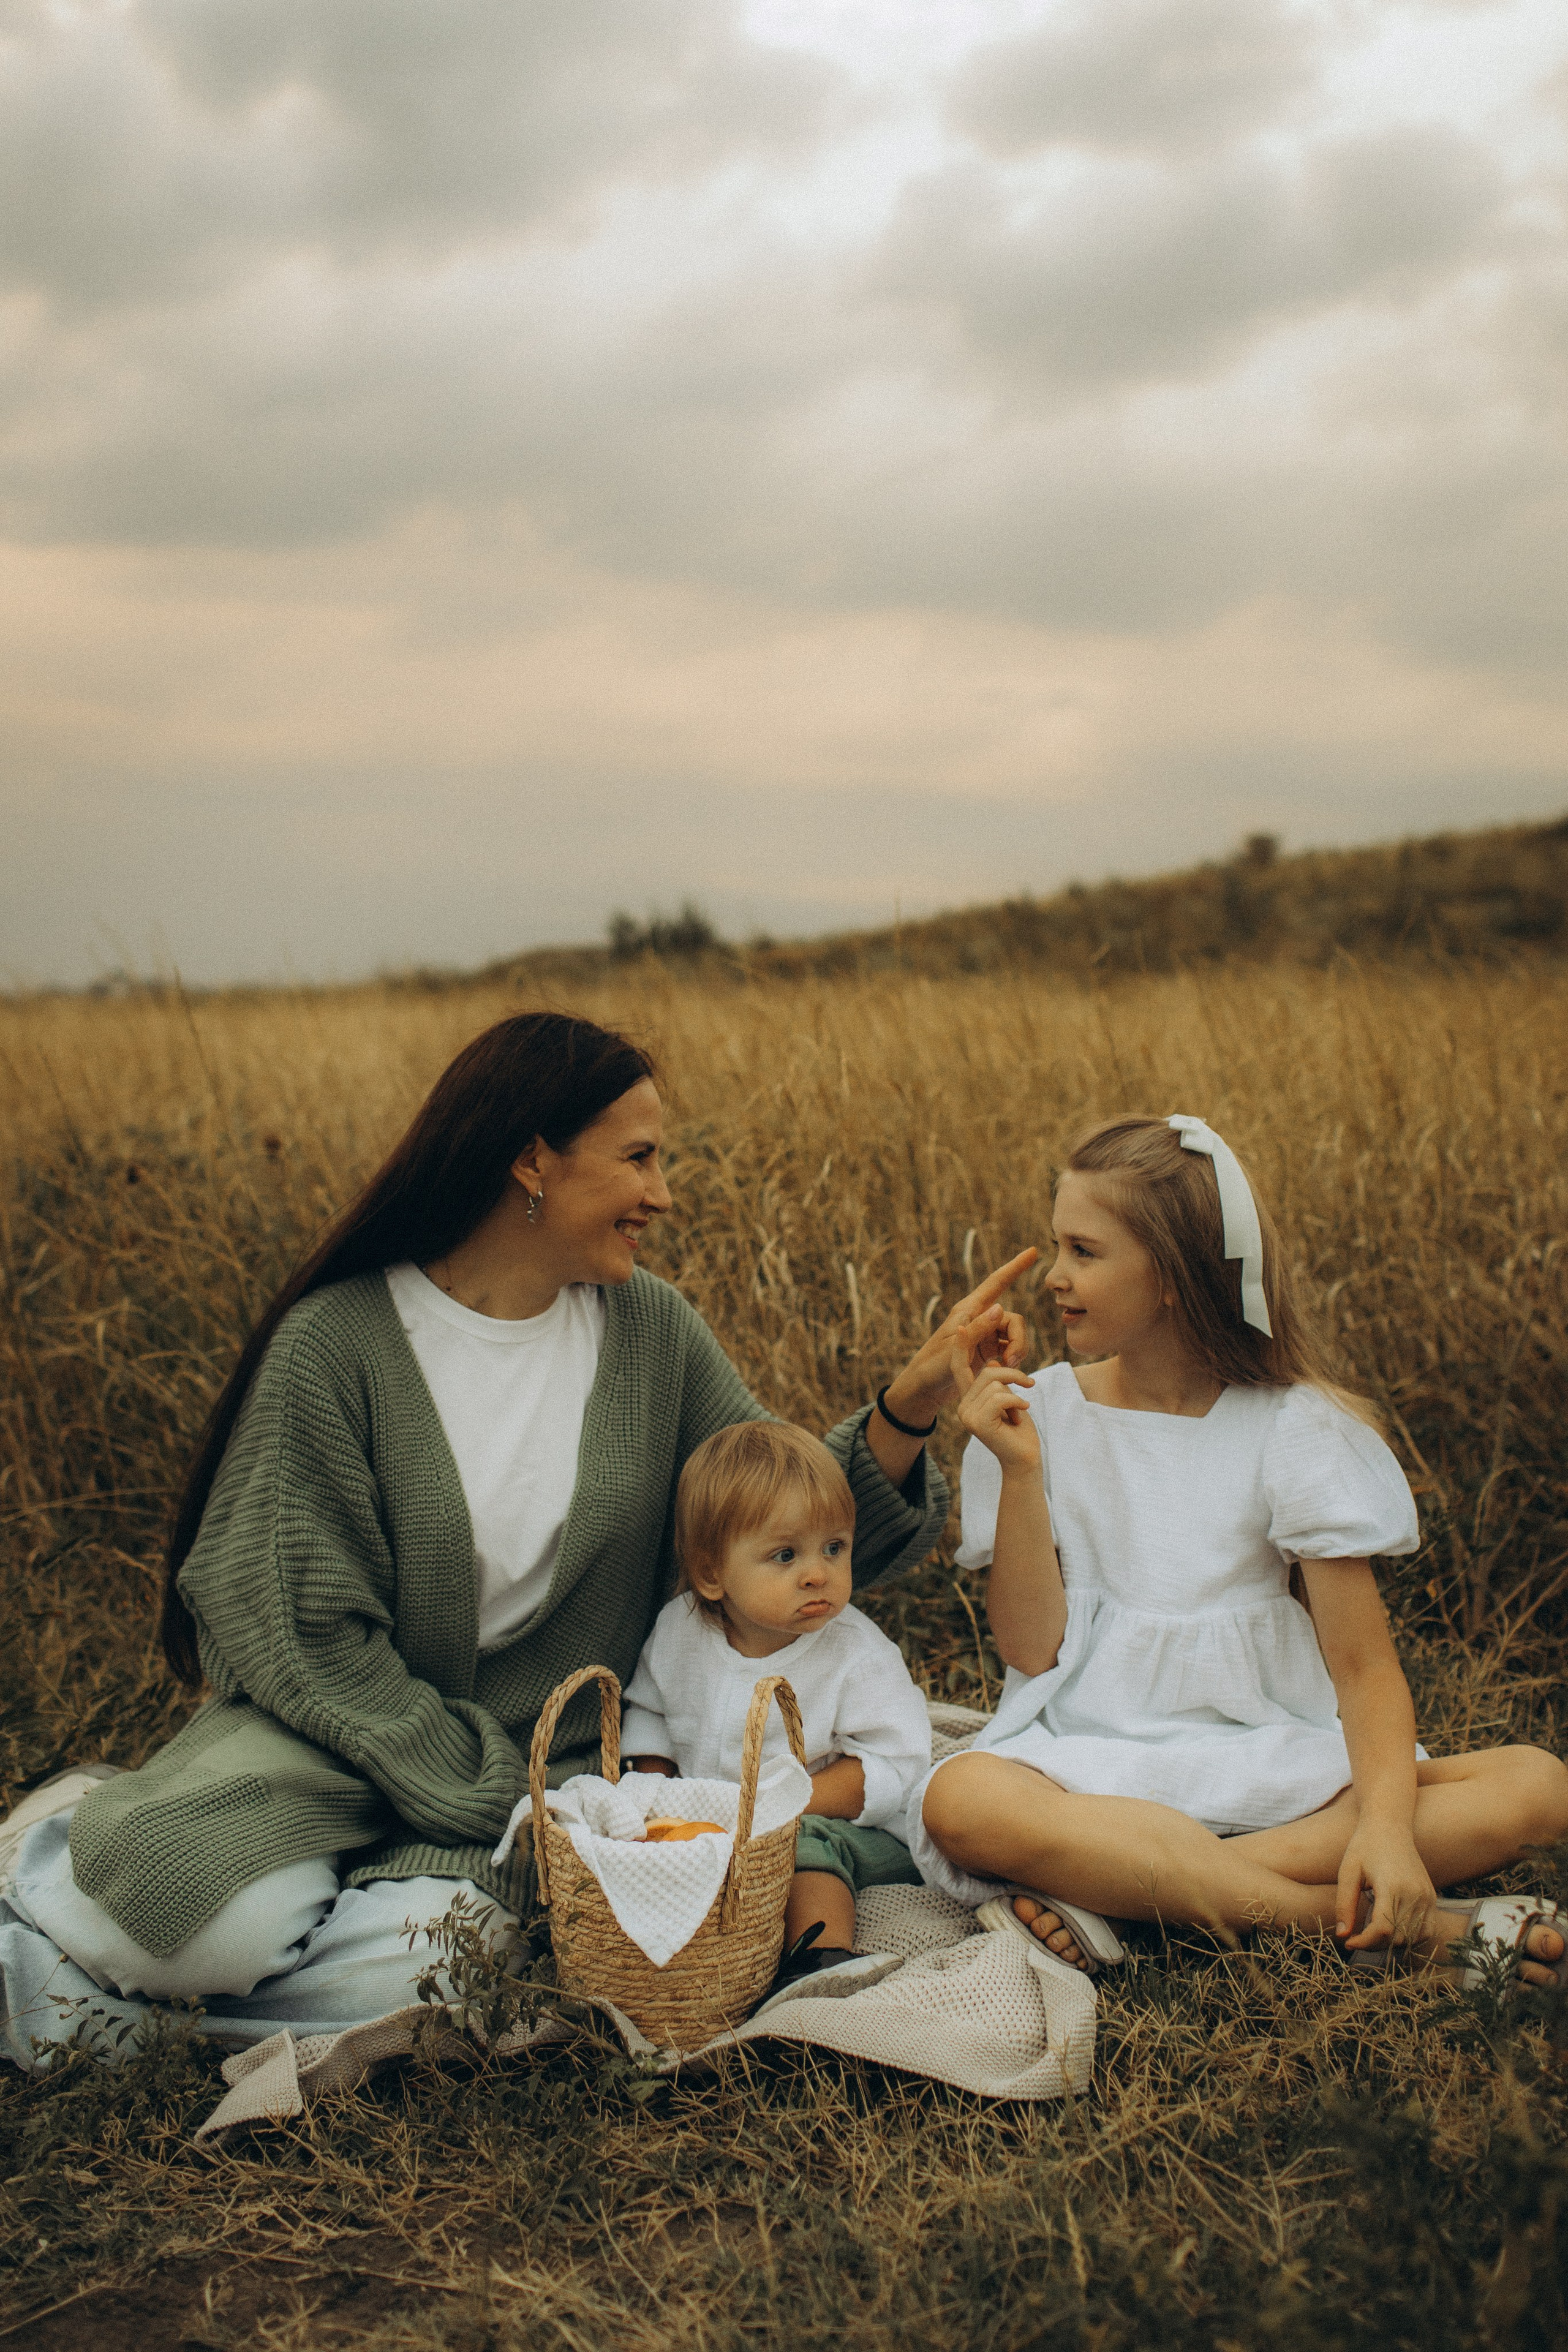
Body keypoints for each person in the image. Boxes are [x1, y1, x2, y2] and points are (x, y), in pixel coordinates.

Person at [1, 1012, 1033, 2068]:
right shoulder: (340, 1343)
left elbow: (775, 1519)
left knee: (430, 1967)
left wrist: (908, 1408)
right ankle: (53, 1870)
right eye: (639, 1158)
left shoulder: (653, 1335)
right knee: (195, 1926)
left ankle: (41, 1999)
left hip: (534, 1773)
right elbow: (300, 1629)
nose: (663, 1195)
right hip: (338, 1740)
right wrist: (468, 1776)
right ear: (533, 1159)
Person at [914, 1114, 1568, 1988]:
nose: (1058, 1280)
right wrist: (1021, 1472)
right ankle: (1395, 1936)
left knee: (1539, 1786)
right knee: (962, 1800)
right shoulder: (1042, 1413)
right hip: (1095, 1752)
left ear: (1176, 1274)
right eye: (1057, 1248)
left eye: (1084, 1252)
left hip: (1272, 1749)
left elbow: (1363, 1666)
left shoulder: (1292, 1427)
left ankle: (1126, 1893)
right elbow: (1032, 1653)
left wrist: (1380, 1826)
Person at [620, 1420, 932, 2016]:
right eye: (785, 1555)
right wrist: (652, 1791)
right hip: (730, 1826)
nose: (816, 1573)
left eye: (833, 1548)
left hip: (855, 1830)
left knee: (805, 1846)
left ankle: (820, 1958)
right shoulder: (680, 1631)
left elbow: (898, 1764)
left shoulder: (853, 1654)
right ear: (712, 1575)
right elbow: (649, 1710)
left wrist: (788, 1804)